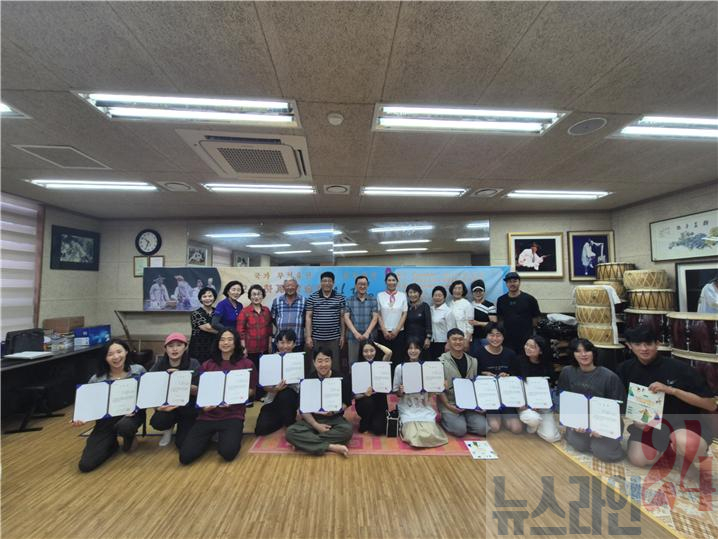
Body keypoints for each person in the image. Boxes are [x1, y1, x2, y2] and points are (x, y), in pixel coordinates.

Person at [618, 325, 716, 469]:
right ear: (629, 346)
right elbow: (621, 401)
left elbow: (711, 405)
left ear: (657, 344)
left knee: (690, 445)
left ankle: (682, 453)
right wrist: (635, 419)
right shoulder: (625, 369)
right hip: (649, 427)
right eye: (638, 344)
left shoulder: (679, 368)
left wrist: (672, 390)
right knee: (638, 459)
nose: (644, 349)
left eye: (649, 343)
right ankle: (668, 452)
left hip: (682, 425)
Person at [179, 329, 256, 465]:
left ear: (236, 343)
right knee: (185, 457)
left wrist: (235, 398)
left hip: (233, 415)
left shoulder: (246, 364)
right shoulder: (207, 365)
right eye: (222, 339)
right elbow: (201, 391)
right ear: (217, 342)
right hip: (207, 415)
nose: (226, 343)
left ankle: (225, 435)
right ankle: (211, 437)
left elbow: (252, 390)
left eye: (230, 339)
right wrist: (200, 403)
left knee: (228, 453)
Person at [73, 339, 146, 473]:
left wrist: (136, 407)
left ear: (126, 352)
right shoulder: (97, 379)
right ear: (105, 358)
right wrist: (81, 418)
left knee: (125, 427)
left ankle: (129, 436)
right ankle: (111, 444)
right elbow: (88, 403)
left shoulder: (138, 370)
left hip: (131, 416)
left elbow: (147, 395)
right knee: (86, 465)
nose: (116, 357)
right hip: (106, 420)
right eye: (110, 354)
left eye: (119, 352)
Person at [558, 338, 625, 462]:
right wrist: (573, 423)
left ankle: (608, 443)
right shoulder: (567, 372)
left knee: (603, 453)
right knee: (579, 445)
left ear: (593, 352)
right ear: (573, 354)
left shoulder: (609, 377)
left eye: (587, 350)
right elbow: (564, 400)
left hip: (605, 422)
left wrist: (602, 427)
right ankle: (584, 438)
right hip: (580, 420)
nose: (583, 354)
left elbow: (619, 408)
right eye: (578, 351)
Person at [285, 347, 353, 456]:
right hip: (312, 420)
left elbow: (346, 403)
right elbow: (303, 409)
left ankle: (305, 442)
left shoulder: (341, 378)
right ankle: (331, 446)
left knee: (347, 431)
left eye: (327, 360)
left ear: (331, 361)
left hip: (334, 419)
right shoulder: (307, 380)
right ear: (314, 362)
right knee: (290, 432)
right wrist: (316, 425)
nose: (323, 364)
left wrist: (334, 411)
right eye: (320, 361)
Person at [393, 339, 449, 448]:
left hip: (423, 406)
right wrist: (400, 390)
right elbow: (397, 393)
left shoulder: (428, 367)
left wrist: (441, 386)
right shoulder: (400, 368)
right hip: (407, 406)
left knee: (432, 435)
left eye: (416, 348)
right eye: (410, 348)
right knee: (413, 436)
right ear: (406, 350)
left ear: (420, 350)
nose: (413, 351)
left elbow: (432, 392)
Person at [149, 332, 201, 448]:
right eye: (170, 346)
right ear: (165, 348)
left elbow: (199, 391)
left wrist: (180, 379)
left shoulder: (193, 363)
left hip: (188, 406)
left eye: (179, 345)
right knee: (158, 422)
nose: (174, 349)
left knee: (182, 443)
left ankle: (184, 428)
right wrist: (157, 407)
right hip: (167, 405)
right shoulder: (159, 364)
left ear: (185, 347)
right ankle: (168, 429)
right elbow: (150, 389)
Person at [437, 328, 487, 437]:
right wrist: (448, 406)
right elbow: (438, 390)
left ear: (464, 341)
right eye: (454, 339)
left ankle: (464, 420)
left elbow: (478, 385)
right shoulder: (440, 361)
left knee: (483, 429)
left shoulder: (473, 361)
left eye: (460, 339)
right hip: (451, 403)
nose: (458, 342)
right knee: (460, 430)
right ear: (448, 341)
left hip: (470, 404)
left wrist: (480, 404)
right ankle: (449, 421)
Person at [476, 323, 523, 434]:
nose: (495, 338)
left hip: (507, 395)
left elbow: (517, 376)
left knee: (517, 429)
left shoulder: (510, 354)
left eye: (498, 335)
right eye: (491, 335)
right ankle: (495, 416)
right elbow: (473, 376)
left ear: (503, 337)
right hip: (489, 396)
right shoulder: (478, 353)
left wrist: (508, 376)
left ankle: (504, 416)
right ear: (486, 336)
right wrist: (483, 375)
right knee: (495, 428)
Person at [254, 329, 301, 436]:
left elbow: (301, 387)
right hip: (272, 399)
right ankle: (282, 419)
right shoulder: (269, 360)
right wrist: (275, 389)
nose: (285, 346)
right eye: (282, 342)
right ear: (277, 343)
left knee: (286, 394)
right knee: (260, 429)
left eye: (288, 342)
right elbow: (264, 387)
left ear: (294, 344)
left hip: (291, 400)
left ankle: (289, 421)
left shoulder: (298, 359)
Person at [516, 336, 561, 443]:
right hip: (524, 405)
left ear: (541, 351)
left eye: (532, 347)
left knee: (551, 437)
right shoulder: (518, 361)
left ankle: (539, 426)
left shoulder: (547, 366)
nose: (528, 348)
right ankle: (532, 427)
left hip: (543, 406)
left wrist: (541, 403)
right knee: (533, 419)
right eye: (527, 345)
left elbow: (551, 388)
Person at [305, 271, 346, 373]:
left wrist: (342, 336)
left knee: (334, 365)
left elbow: (342, 318)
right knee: (316, 366)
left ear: (333, 283)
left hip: (334, 338)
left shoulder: (340, 297)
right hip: (316, 338)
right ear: (321, 282)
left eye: (329, 281)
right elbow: (308, 317)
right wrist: (308, 337)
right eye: (324, 281)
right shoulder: (312, 297)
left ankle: (334, 383)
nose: (327, 283)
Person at [353, 340, 392, 435]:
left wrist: (375, 343)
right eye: (365, 351)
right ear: (361, 353)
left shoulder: (381, 364)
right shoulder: (357, 368)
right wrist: (365, 394)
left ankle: (372, 421)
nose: (369, 354)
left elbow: (389, 352)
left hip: (380, 402)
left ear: (376, 350)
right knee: (368, 403)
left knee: (378, 430)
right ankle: (365, 421)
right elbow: (354, 396)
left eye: (372, 350)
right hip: (365, 402)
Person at [496, 271, 541, 354]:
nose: (512, 284)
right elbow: (500, 319)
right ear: (506, 284)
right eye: (509, 282)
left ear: (519, 282)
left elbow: (536, 318)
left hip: (526, 339)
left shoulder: (530, 299)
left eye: (515, 281)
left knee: (524, 360)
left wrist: (530, 334)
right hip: (507, 339)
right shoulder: (501, 300)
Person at [236, 284, 273, 374]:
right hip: (250, 351)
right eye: (254, 294)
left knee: (264, 373)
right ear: (250, 297)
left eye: (259, 294)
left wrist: (270, 344)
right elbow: (240, 331)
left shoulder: (266, 310)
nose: (256, 297)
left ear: (262, 296)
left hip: (264, 349)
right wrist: (243, 348)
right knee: (252, 374)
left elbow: (269, 328)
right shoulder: (244, 311)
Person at [344, 275, 379, 367]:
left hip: (369, 337)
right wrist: (355, 333)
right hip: (353, 337)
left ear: (367, 285)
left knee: (370, 364)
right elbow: (346, 317)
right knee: (353, 364)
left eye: (364, 284)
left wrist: (367, 333)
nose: (362, 286)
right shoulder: (349, 300)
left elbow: (375, 317)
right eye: (360, 284)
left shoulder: (373, 300)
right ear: (356, 285)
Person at [377, 272, 408, 366]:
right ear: (385, 282)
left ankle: (396, 375)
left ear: (397, 282)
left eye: (393, 280)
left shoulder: (402, 295)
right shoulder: (380, 295)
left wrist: (396, 330)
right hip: (383, 333)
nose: (391, 282)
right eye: (389, 280)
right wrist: (384, 330)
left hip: (399, 333)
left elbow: (404, 313)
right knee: (384, 358)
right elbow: (378, 314)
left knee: (398, 358)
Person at [271, 278, 306, 352]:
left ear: (297, 287)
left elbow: (306, 319)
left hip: (298, 341)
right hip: (281, 343)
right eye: (287, 286)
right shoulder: (276, 301)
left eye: (292, 285)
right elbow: (273, 319)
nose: (290, 288)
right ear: (283, 287)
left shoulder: (304, 301)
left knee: (296, 359)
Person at [468, 279, 497, 357]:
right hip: (472, 339)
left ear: (484, 292)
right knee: (474, 359)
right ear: (472, 293)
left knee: (486, 358)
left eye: (480, 291)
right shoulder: (469, 305)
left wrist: (478, 323)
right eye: (475, 291)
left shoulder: (490, 305)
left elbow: (494, 323)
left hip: (485, 338)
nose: (478, 293)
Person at [189, 286, 218, 362]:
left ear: (214, 298)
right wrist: (224, 332)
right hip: (199, 346)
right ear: (200, 299)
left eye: (210, 296)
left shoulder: (218, 311)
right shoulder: (196, 313)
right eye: (204, 296)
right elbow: (208, 328)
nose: (207, 298)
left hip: (215, 345)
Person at [404, 283, 432, 357]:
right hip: (408, 340)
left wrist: (428, 338)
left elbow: (428, 323)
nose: (412, 295)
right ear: (407, 294)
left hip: (422, 340)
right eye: (410, 292)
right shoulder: (405, 306)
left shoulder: (425, 306)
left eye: (415, 292)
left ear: (419, 293)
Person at [429, 286, 455, 360]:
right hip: (431, 342)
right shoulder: (430, 309)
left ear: (444, 297)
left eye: (440, 295)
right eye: (435, 295)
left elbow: (452, 329)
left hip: (443, 343)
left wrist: (449, 343)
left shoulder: (448, 311)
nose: (437, 297)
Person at [448, 280, 474, 350]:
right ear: (452, 290)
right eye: (455, 288)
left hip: (463, 339)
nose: (457, 291)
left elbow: (470, 325)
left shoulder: (467, 304)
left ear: (463, 291)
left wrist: (467, 341)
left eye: (459, 288)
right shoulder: (450, 304)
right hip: (452, 339)